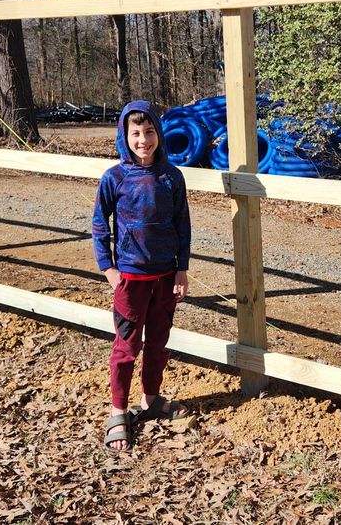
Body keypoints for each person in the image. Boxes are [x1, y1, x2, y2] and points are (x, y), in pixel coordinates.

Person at [92, 100, 192, 451]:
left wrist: (182, 268)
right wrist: (108, 267)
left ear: (159, 135)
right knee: (127, 346)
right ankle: (118, 410)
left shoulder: (171, 177)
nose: (143, 140)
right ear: (124, 135)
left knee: (158, 342)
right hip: (130, 279)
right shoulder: (114, 178)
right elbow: (98, 224)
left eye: (149, 132)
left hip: (165, 276)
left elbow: (182, 224)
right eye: (136, 133)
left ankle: (151, 399)